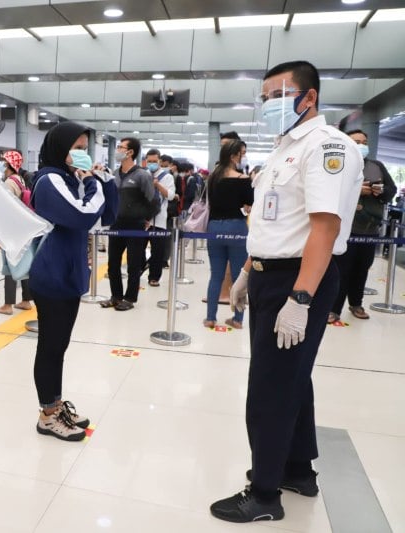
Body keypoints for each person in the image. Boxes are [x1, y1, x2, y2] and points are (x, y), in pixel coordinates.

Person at [211, 60, 362, 523]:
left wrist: (299, 299)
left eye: (278, 94)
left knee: (270, 387)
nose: (269, 105)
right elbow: (276, 219)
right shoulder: (285, 148)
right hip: (272, 274)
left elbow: (324, 227)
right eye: (265, 97)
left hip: (298, 279)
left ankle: (263, 494)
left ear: (309, 97)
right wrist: (248, 273)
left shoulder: (325, 147)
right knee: (292, 379)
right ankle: (297, 469)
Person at [28, 121, 118, 441]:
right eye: (76, 149)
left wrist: (105, 182)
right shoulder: (49, 179)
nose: (82, 154)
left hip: (69, 272)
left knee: (59, 346)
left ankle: (54, 404)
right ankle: (47, 414)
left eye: (84, 148)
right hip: (52, 273)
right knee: (51, 347)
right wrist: (93, 183)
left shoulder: (70, 178)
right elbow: (81, 216)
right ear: (60, 148)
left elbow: (107, 217)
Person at [328, 129, 397, 323]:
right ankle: (334, 309)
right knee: (341, 271)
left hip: (369, 230)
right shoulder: (336, 164)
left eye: (364, 141)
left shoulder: (376, 166)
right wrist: (357, 190)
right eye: (356, 141)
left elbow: (390, 190)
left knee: (362, 269)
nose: (361, 145)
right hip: (344, 230)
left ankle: (356, 304)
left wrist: (379, 191)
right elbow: (331, 191)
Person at [203, 140, 253, 329]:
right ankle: (238, 319)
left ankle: (210, 318)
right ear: (233, 156)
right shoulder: (243, 179)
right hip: (236, 228)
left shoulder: (213, 178)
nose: (244, 156)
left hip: (214, 227)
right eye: (243, 153)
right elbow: (249, 205)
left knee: (215, 275)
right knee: (238, 276)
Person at [101, 137, 154, 311]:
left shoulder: (142, 175)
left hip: (135, 226)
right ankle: (116, 296)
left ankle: (130, 298)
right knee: (113, 263)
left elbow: (152, 200)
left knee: (133, 264)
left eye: (120, 147)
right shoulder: (115, 174)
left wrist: (147, 219)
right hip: (116, 224)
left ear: (130, 152)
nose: (117, 150)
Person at [0, 150, 33, 315]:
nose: (0, 163)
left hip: (11, 231)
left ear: (8, 164)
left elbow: (5, 209)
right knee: (22, 265)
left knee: (9, 266)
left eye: (2, 161)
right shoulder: (20, 179)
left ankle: (8, 304)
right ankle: (25, 300)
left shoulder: (10, 182)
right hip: (21, 229)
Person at [138, 148, 175, 286]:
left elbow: (170, 196)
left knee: (157, 250)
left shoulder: (167, 176)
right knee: (138, 248)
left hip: (159, 219)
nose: (152, 163)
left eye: (154, 161)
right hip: (142, 219)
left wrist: (157, 185)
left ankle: (154, 277)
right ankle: (140, 269)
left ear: (159, 161)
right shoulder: (142, 174)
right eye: (149, 161)